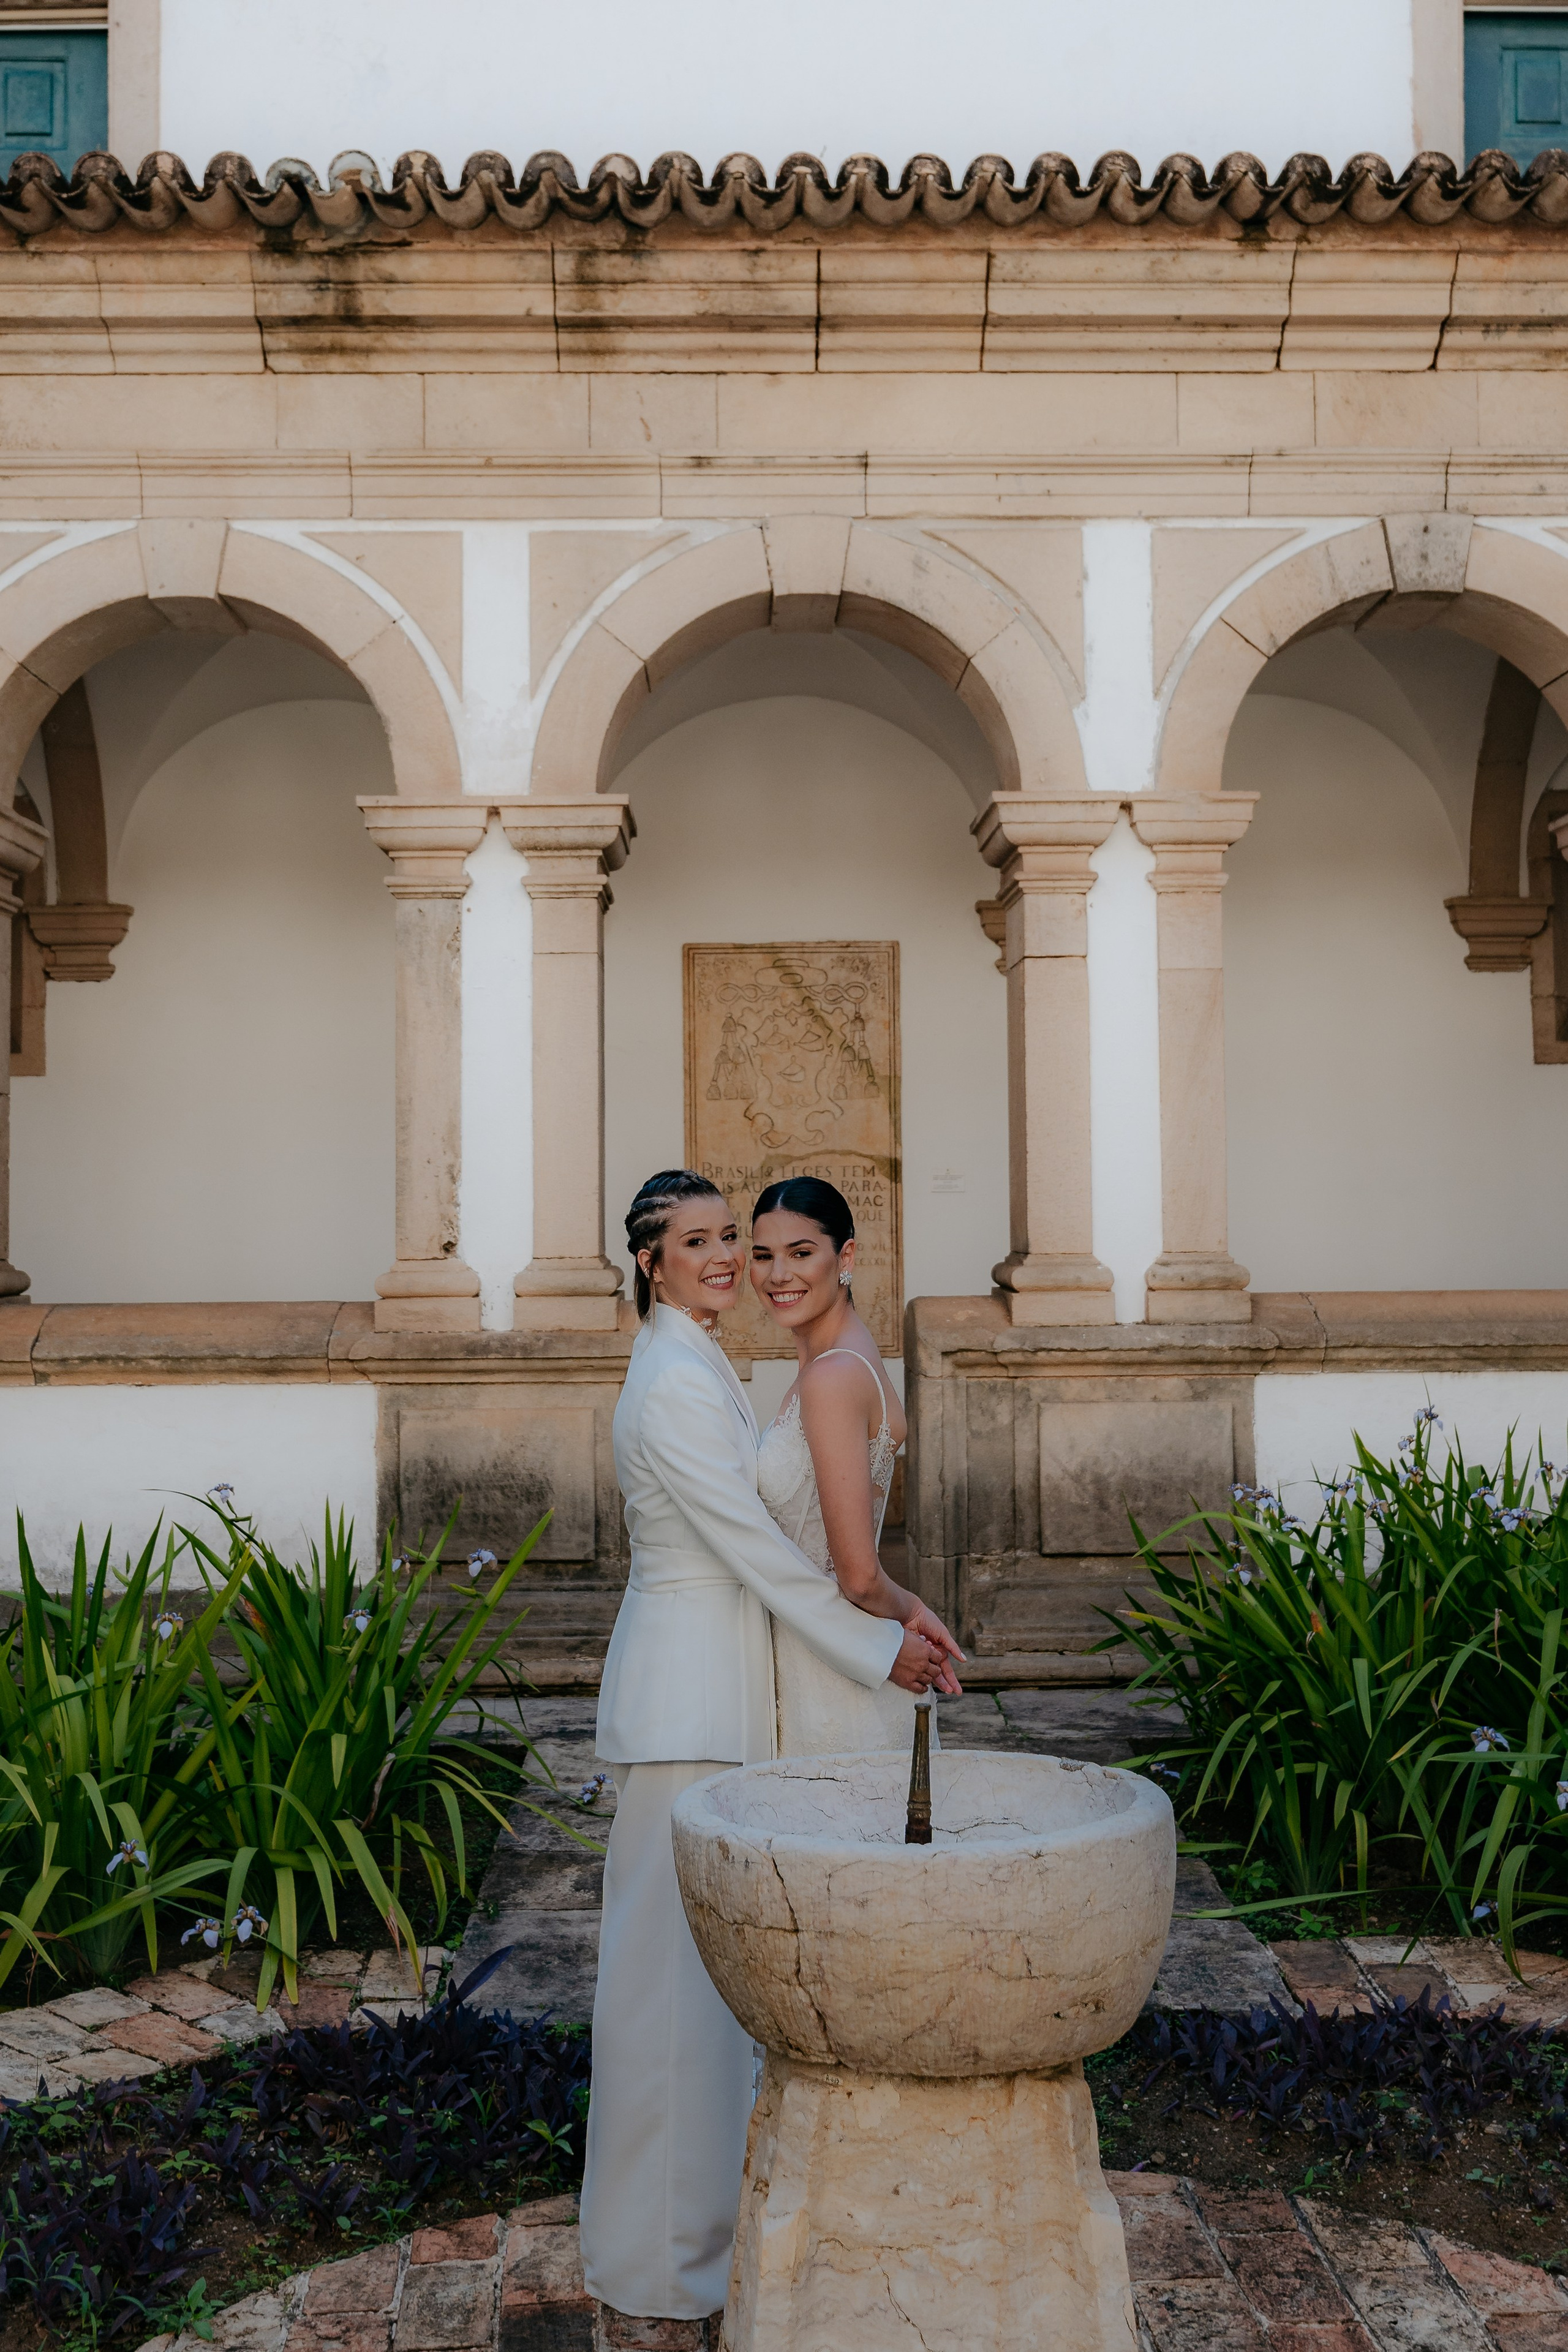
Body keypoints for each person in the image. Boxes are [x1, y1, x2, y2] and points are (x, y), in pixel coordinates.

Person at [578, 1169, 951, 2330]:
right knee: (669, 1997)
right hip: (688, 1700)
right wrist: (871, 1642)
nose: (728, 1257)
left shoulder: (705, 1361)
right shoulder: (675, 1381)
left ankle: (706, 2236)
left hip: (722, 1694)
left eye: (728, 1234)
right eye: (696, 1241)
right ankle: (662, 2267)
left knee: (706, 1993)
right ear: (650, 1263)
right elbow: (752, 1545)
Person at [750, 1175, 963, 1755]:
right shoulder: (847, 1359)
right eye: (763, 1255)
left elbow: (861, 1579)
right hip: (831, 1657)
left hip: (831, 1678)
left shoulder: (833, 1378)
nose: (777, 1275)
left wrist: (911, 1612)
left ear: (844, 1257)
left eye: (801, 1253)